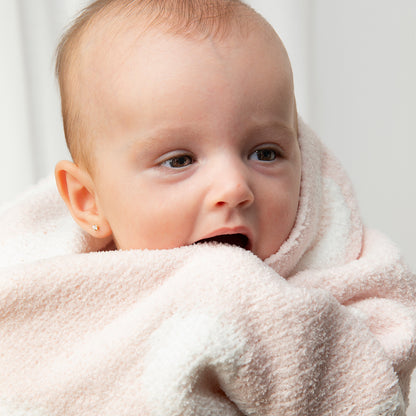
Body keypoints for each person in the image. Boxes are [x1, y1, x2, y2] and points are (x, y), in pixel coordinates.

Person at [0, 0, 415, 414]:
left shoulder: (342, 283)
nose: (234, 187)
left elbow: (377, 371)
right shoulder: (51, 303)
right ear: (89, 201)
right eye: (179, 161)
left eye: (265, 153)